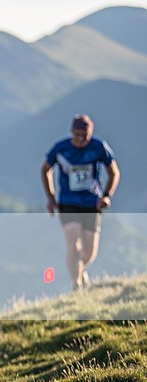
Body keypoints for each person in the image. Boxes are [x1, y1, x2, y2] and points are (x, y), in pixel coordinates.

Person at [41, 114, 120, 291]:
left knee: (89, 252)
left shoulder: (99, 147)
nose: (79, 139)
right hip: (68, 202)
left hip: (92, 203)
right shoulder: (60, 148)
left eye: (83, 136)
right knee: (73, 243)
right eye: (76, 135)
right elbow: (45, 170)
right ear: (71, 132)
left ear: (90, 134)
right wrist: (51, 198)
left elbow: (114, 172)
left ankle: (80, 269)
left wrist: (106, 195)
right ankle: (76, 284)